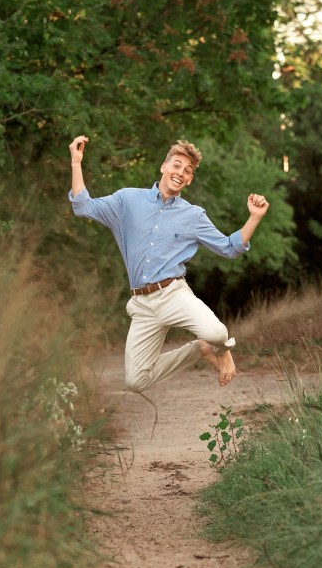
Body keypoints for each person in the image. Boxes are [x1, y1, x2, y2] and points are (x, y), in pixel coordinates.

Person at [67, 134, 269, 392]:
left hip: (173, 295)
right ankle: (201, 349)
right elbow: (83, 207)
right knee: (136, 381)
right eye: (176, 165)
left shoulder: (193, 215)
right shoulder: (126, 201)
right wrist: (76, 162)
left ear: (190, 180)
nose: (180, 173)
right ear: (164, 166)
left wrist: (254, 218)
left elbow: (230, 249)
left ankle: (217, 346)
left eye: (187, 171)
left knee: (218, 334)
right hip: (142, 304)